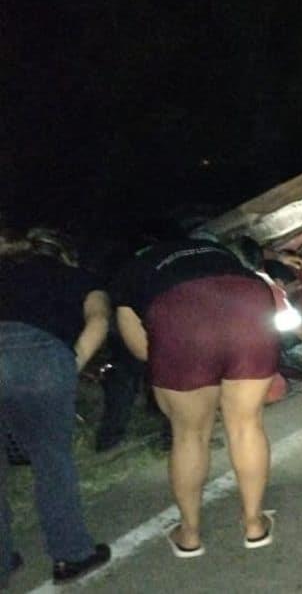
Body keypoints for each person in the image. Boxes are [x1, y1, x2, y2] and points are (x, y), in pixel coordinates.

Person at [112, 239, 280, 557]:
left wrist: (179, 371)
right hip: (249, 299)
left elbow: (140, 348)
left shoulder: (131, 272)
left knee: (189, 435)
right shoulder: (213, 249)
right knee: (247, 425)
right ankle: (255, 525)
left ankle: (189, 535)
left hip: (179, 310)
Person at [0, 229, 112, 586]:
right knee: (51, 460)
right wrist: (70, 364)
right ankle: (70, 555)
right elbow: (99, 320)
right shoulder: (76, 277)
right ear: (64, 252)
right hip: (41, 355)